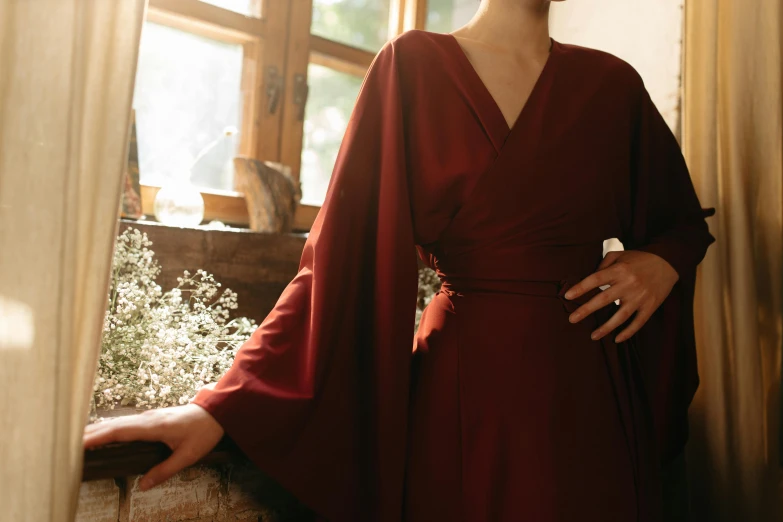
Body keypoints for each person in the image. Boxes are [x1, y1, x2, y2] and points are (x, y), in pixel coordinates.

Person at [84, 0, 715, 520]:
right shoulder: (411, 66)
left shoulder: (613, 86)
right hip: (463, 393)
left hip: (589, 396)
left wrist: (661, 263)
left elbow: (679, 224)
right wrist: (220, 405)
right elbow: (335, 263)